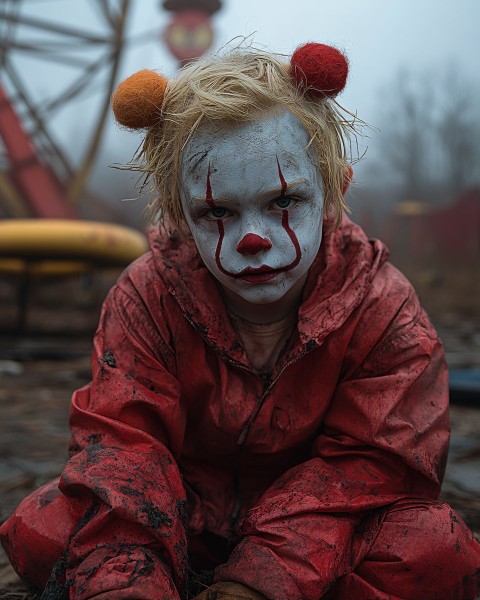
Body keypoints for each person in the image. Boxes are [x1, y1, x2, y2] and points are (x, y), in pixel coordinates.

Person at [1, 42, 479, 600]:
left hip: (322, 535)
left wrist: (259, 581)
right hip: (180, 518)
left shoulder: (382, 305)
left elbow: (376, 464)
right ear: (179, 213)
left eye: (283, 201)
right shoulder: (147, 295)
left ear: (333, 193)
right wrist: (128, 581)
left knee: (436, 546)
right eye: (218, 211)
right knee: (44, 522)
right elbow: (123, 449)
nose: (253, 240)